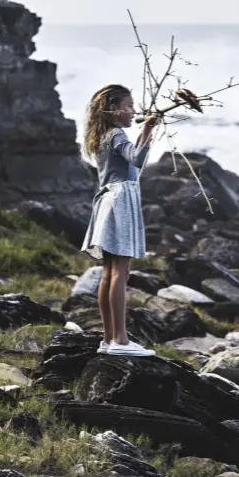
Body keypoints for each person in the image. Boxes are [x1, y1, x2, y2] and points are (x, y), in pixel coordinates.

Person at [81, 83, 158, 356]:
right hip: (121, 201)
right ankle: (121, 341)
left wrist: (142, 135)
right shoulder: (117, 134)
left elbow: (128, 160)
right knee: (120, 273)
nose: (133, 111)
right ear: (113, 109)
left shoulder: (104, 134)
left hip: (106, 199)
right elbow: (136, 160)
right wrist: (148, 131)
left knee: (109, 272)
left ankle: (108, 338)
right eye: (128, 106)